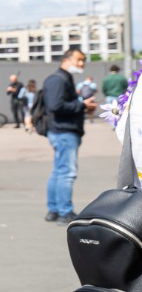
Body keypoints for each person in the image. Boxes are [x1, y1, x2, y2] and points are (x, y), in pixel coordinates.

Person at [42, 48, 97, 223]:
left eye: (83, 60)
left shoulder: (61, 78)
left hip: (61, 131)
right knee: (66, 172)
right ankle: (64, 212)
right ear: (67, 59)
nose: (82, 63)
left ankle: (54, 210)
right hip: (64, 131)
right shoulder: (58, 79)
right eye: (79, 59)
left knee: (59, 171)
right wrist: (82, 105)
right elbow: (55, 106)